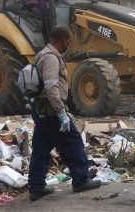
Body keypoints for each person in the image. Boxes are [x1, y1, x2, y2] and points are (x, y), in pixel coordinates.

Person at [28, 25, 101, 201]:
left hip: (41, 110)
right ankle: (81, 179)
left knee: (41, 148)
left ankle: (36, 186)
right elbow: (52, 88)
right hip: (51, 111)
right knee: (73, 142)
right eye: (68, 40)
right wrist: (61, 112)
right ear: (64, 39)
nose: (69, 43)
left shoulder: (41, 55)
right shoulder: (52, 58)